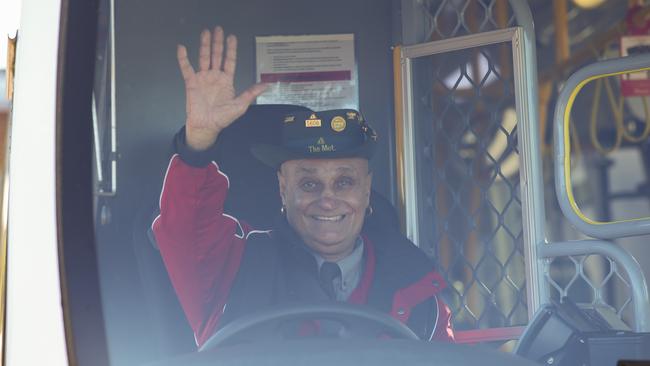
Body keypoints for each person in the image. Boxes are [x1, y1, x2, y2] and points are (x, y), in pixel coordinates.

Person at [152, 26, 455, 348]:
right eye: (309, 183)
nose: (328, 199)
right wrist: (198, 145)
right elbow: (184, 230)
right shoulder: (235, 263)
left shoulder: (416, 281)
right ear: (283, 189)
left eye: (344, 182)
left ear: (366, 191)